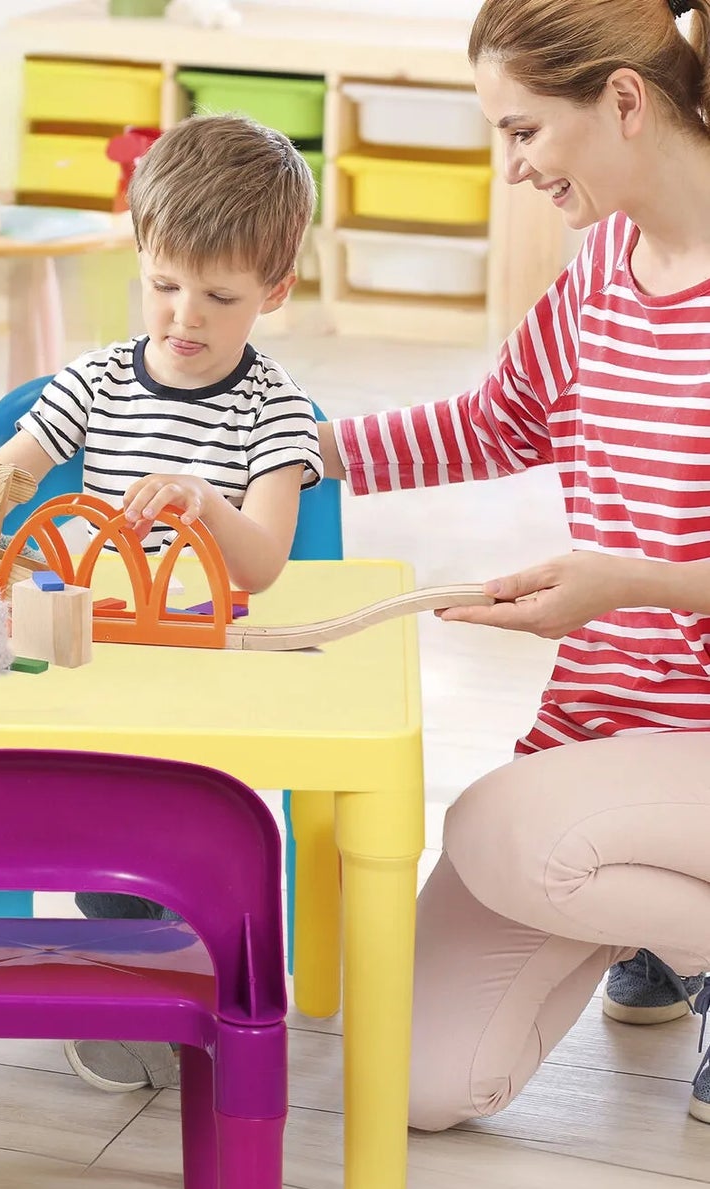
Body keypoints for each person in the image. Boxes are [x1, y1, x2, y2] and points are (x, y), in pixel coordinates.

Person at [317, 0, 710, 1130]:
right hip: (601, 733)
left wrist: (627, 581)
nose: (510, 169)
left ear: (622, 103)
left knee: (499, 826)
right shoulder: (598, 271)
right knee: (410, 1085)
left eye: (522, 131)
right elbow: (497, 420)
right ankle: (661, 929)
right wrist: (301, 446)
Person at [0, 113, 323, 1092]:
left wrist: (204, 504)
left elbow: (258, 567)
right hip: (90, 653)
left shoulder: (275, 413)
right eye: (163, 284)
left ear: (274, 292)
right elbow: (3, 472)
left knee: (172, 826)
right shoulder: (94, 383)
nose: (183, 317)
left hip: (198, 674)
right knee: (46, 790)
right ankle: (110, 972)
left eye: (218, 295)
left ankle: (160, 976)